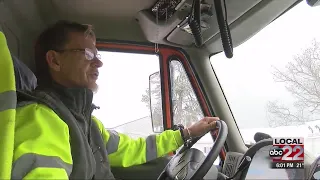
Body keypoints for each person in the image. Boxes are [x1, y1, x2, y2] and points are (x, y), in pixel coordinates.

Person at [12, 20, 219, 179]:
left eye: (97, 53)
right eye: (87, 53)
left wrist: (186, 134)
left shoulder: (88, 123)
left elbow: (132, 148)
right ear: (55, 60)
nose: (98, 62)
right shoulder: (40, 119)